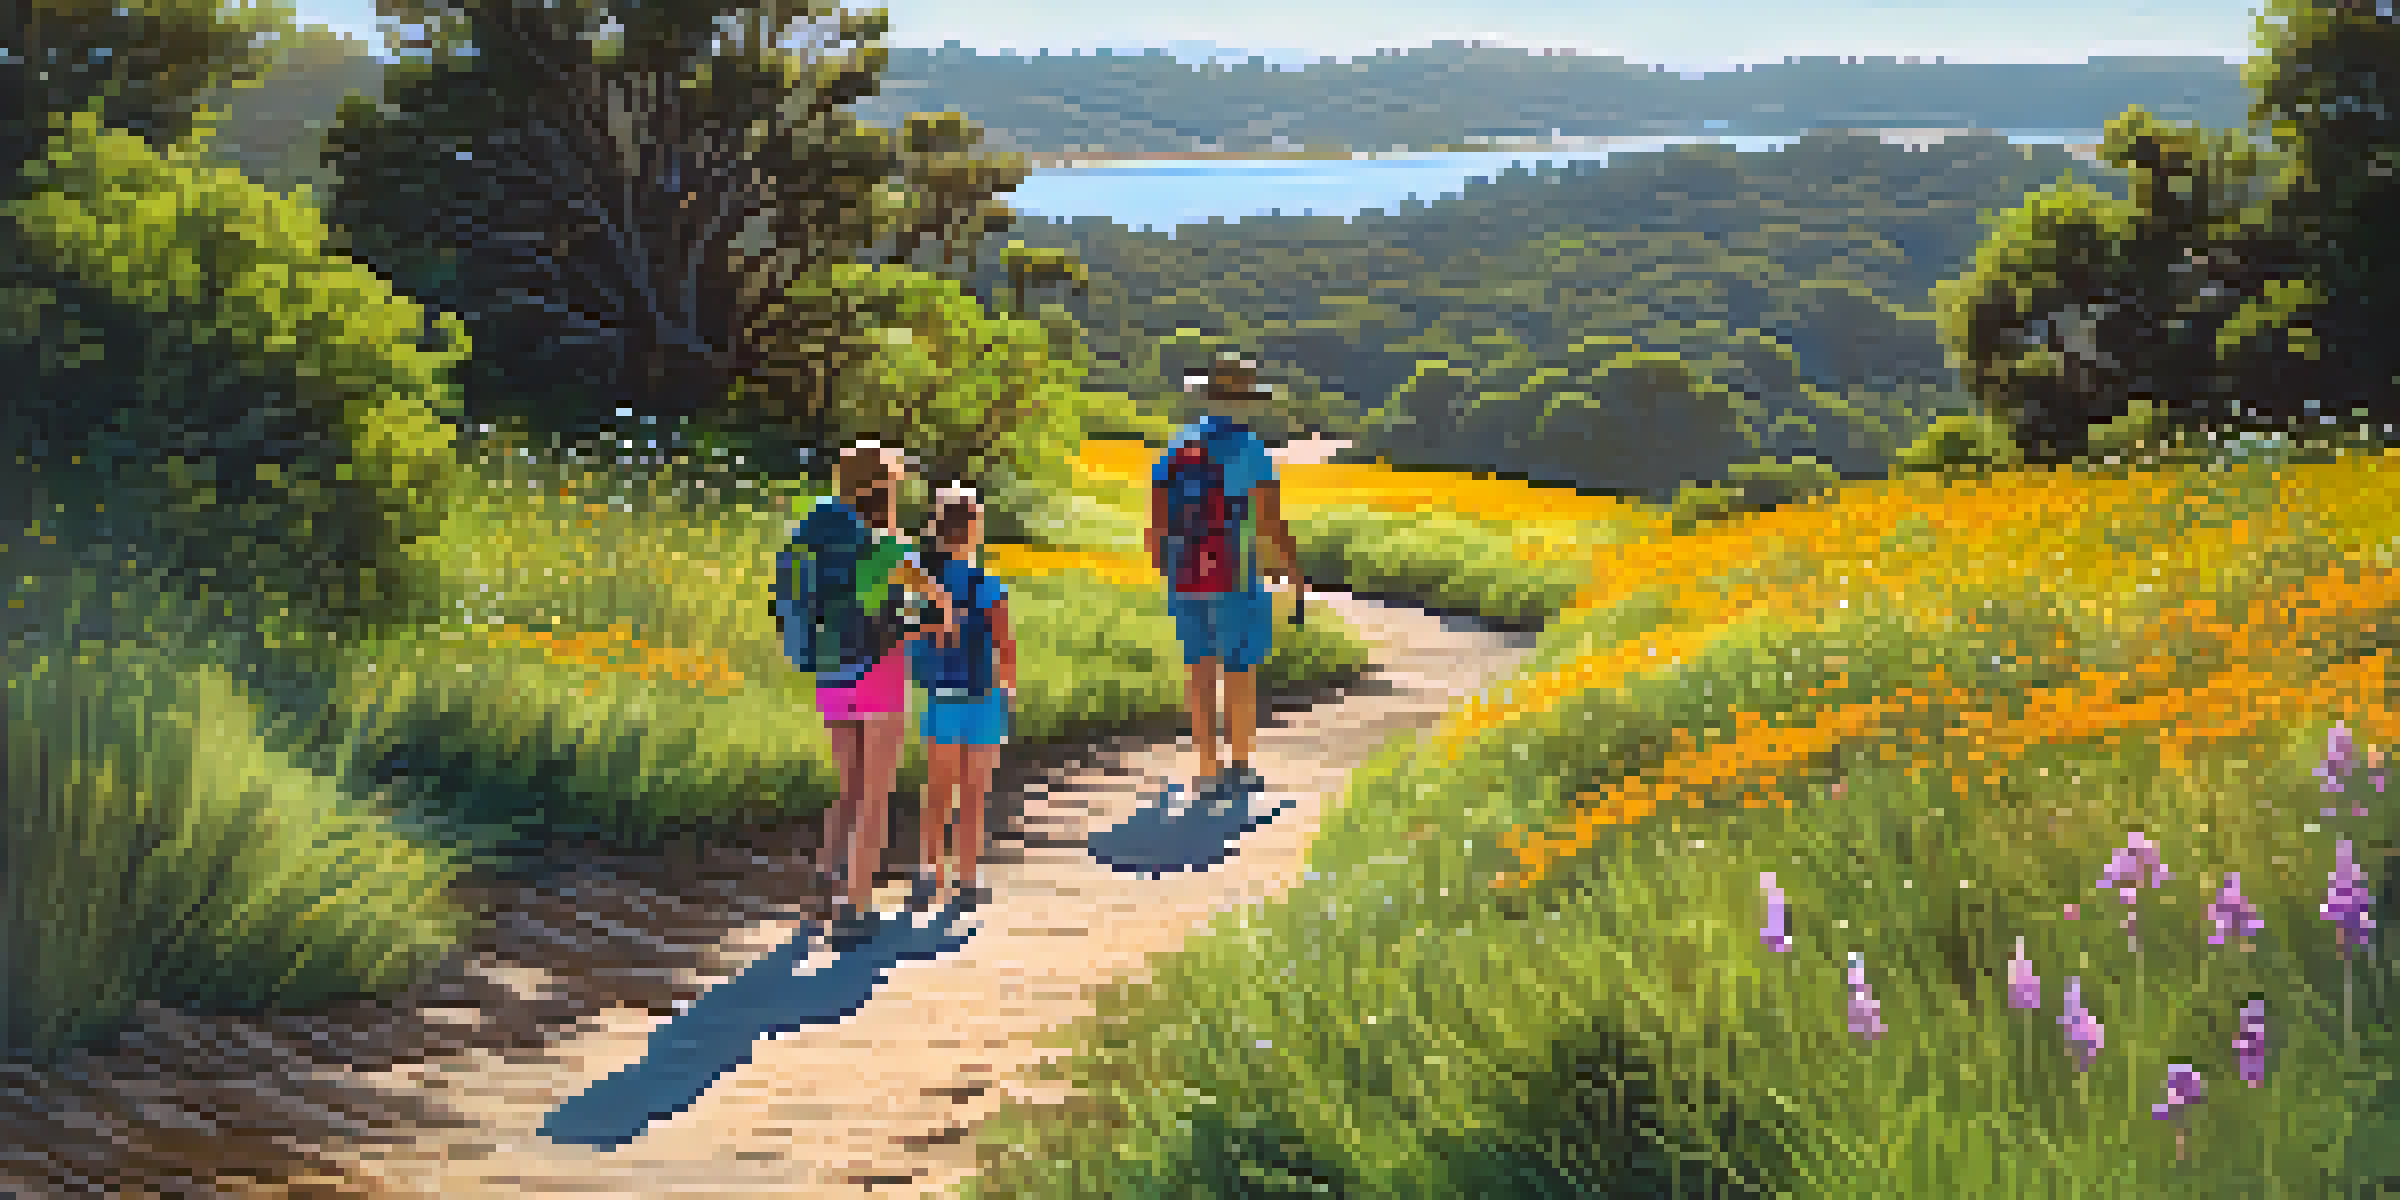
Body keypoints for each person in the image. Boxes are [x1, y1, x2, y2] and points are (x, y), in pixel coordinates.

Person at [775, 441, 958, 949]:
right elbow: (938, 607)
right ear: (887, 489)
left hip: (832, 672)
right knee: (875, 795)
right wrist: (925, 626)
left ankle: (823, 892)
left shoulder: (815, 536)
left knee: (848, 789)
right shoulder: (892, 549)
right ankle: (856, 908)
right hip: (879, 676)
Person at [1145, 354, 1307, 805]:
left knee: (1199, 667)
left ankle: (1205, 766)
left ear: (1208, 397)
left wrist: (1170, 565)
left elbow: (1155, 524)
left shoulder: (1178, 445)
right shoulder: (1250, 448)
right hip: (1235, 572)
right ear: (1248, 402)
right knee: (1238, 668)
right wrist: (1293, 575)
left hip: (1185, 571)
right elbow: (1272, 523)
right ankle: (1239, 763)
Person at [906, 484, 1015, 914]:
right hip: (982, 697)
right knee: (973, 793)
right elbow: (1004, 644)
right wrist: (1007, 687)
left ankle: (928, 873)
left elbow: (914, 637)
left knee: (937, 791)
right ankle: (966, 879)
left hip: (940, 698)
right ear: (973, 529)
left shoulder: (924, 582)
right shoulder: (986, 584)